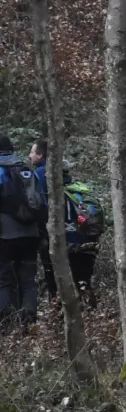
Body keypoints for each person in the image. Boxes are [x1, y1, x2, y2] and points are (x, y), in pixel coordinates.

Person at [0, 134, 45, 329]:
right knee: (28, 280)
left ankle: (6, 325)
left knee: (4, 280)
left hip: (5, 235)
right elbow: (41, 204)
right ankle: (29, 322)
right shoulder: (26, 169)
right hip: (30, 234)